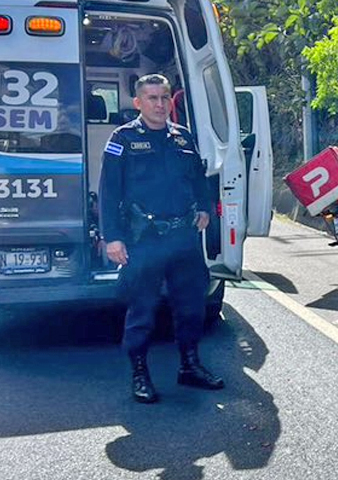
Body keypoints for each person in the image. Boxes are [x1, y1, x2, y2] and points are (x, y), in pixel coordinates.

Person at [99, 74, 224, 404]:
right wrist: (112, 238)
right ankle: (140, 373)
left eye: (164, 97)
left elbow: (198, 178)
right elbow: (109, 191)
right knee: (143, 309)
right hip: (145, 239)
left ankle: (190, 366)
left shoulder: (182, 137)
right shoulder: (123, 139)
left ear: (171, 100)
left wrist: (205, 208)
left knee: (192, 306)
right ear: (138, 103)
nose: (159, 104)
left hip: (183, 237)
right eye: (152, 98)